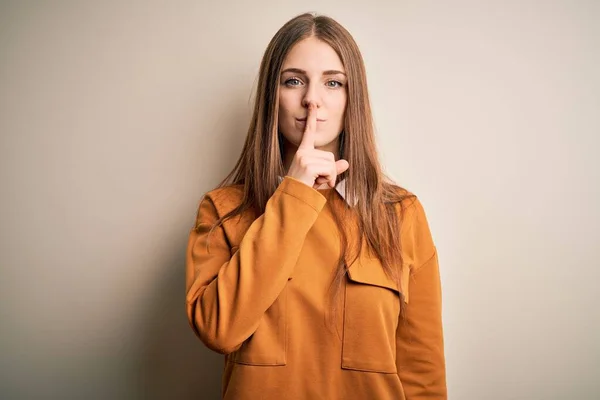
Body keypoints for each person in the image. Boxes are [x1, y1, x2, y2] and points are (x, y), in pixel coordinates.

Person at [185, 12, 447, 400]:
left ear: (351, 97)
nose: (312, 99)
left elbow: (422, 372)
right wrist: (294, 194)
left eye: (333, 82)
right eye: (293, 81)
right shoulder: (222, 210)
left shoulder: (401, 214)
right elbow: (218, 329)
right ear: (272, 98)